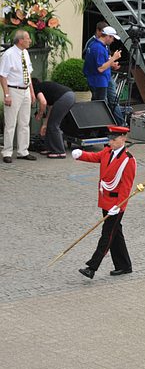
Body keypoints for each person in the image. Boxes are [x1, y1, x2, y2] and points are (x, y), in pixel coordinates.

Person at [73, 126, 136, 279]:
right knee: (116, 234)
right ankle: (124, 265)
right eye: (110, 139)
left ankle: (92, 267)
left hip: (116, 204)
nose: (110, 142)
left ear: (123, 139)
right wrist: (81, 155)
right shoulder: (107, 152)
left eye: (113, 139)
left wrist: (119, 206)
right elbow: (95, 157)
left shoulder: (128, 160)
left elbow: (126, 186)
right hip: (105, 200)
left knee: (107, 235)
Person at [0, 30, 36, 163]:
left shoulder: (25, 52)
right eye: (27, 38)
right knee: (10, 123)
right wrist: (7, 94)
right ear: (20, 40)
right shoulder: (9, 54)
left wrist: (31, 92)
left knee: (24, 122)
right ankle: (7, 151)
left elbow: (28, 73)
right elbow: (3, 75)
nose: (30, 41)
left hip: (25, 89)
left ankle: (23, 150)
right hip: (13, 90)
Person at [82, 24, 124, 125]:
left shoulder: (99, 46)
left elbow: (103, 63)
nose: (113, 40)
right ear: (108, 36)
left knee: (107, 102)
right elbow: (100, 68)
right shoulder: (98, 48)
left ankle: (120, 123)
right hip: (98, 81)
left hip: (103, 79)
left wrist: (111, 63)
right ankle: (98, 126)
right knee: (100, 105)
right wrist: (113, 58)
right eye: (112, 37)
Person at [32, 78, 75, 158]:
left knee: (54, 125)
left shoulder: (35, 87)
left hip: (65, 98)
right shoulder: (46, 88)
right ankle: (50, 148)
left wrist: (40, 114)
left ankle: (60, 151)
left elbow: (43, 102)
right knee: (50, 124)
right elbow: (51, 109)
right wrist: (45, 124)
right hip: (70, 96)